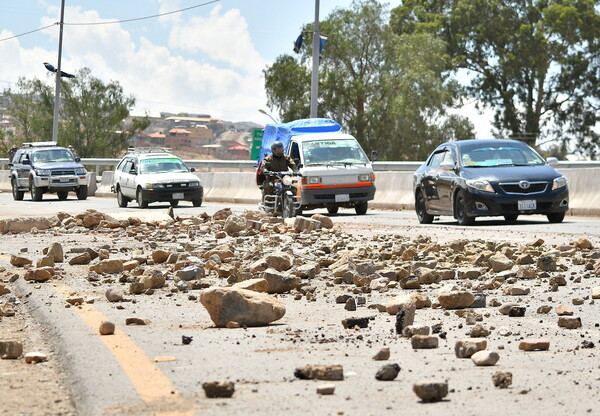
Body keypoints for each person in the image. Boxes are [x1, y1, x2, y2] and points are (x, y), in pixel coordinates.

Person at [260, 141, 298, 206]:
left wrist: (296, 171)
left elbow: (292, 164)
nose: (279, 150)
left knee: (293, 188)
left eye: (281, 149)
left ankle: (293, 205)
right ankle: (268, 204)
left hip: (284, 178)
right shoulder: (268, 159)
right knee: (269, 186)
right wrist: (266, 171)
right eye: (278, 149)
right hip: (272, 178)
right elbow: (263, 166)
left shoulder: (286, 157)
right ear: (273, 149)